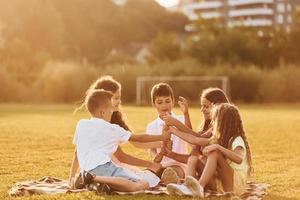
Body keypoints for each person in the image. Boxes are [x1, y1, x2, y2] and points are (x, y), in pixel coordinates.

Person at [69, 76, 162, 188]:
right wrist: (162, 137)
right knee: (141, 184)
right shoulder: (111, 128)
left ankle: (95, 182)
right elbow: (136, 141)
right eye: (116, 98)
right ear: (103, 110)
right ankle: (92, 179)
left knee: (131, 173)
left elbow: (77, 152)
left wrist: (72, 177)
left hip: (89, 168)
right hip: (105, 166)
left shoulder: (82, 124)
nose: (118, 103)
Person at [167, 103, 253, 197]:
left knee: (214, 153)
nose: (213, 123)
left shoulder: (236, 139)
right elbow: (194, 140)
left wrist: (218, 147)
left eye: (215, 120)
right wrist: (173, 130)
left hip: (235, 185)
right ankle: (188, 188)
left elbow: (239, 158)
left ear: (223, 122)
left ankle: (199, 186)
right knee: (193, 159)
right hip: (219, 184)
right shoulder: (219, 138)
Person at [163, 87, 230, 180]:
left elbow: (195, 139)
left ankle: (189, 184)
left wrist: (175, 125)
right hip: (210, 177)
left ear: (217, 108)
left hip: (220, 179)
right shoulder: (207, 127)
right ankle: (187, 184)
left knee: (198, 159)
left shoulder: (220, 129)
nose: (202, 110)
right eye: (202, 106)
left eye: (206, 106)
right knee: (194, 159)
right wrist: (170, 154)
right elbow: (193, 145)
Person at [146, 83, 190, 184]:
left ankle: (166, 180)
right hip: (160, 165)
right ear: (154, 104)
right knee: (146, 174)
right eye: (160, 102)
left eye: (167, 101)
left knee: (173, 172)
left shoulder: (182, 120)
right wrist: (155, 156)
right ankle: (162, 181)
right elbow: (151, 149)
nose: (164, 105)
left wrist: (186, 114)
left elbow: (191, 136)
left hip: (178, 165)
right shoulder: (151, 126)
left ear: (173, 101)